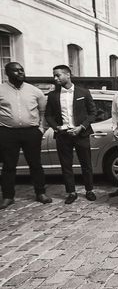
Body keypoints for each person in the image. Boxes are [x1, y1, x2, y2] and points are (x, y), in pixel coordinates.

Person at [0, 62, 52, 209]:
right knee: (9, 165)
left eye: (21, 70)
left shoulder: (35, 91)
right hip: (7, 132)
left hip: (31, 132)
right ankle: (8, 197)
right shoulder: (1, 90)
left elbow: (43, 112)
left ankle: (40, 193)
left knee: (35, 164)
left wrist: (41, 129)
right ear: (7, 73)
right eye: (16, 71)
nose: (20, 73)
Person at [45, 65, 97, 204]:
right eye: (54, 75)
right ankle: (71, 192)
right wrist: (56, 128)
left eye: (58, 75)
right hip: (63, 135)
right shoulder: (53, 95)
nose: (55, 78)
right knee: (66, 165)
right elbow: (48, 115)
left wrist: (81, 127)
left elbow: (93, 113)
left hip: (81, 133)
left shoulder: (84, 92)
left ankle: (89, 190)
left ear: (68, 75)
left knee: (86, 163)